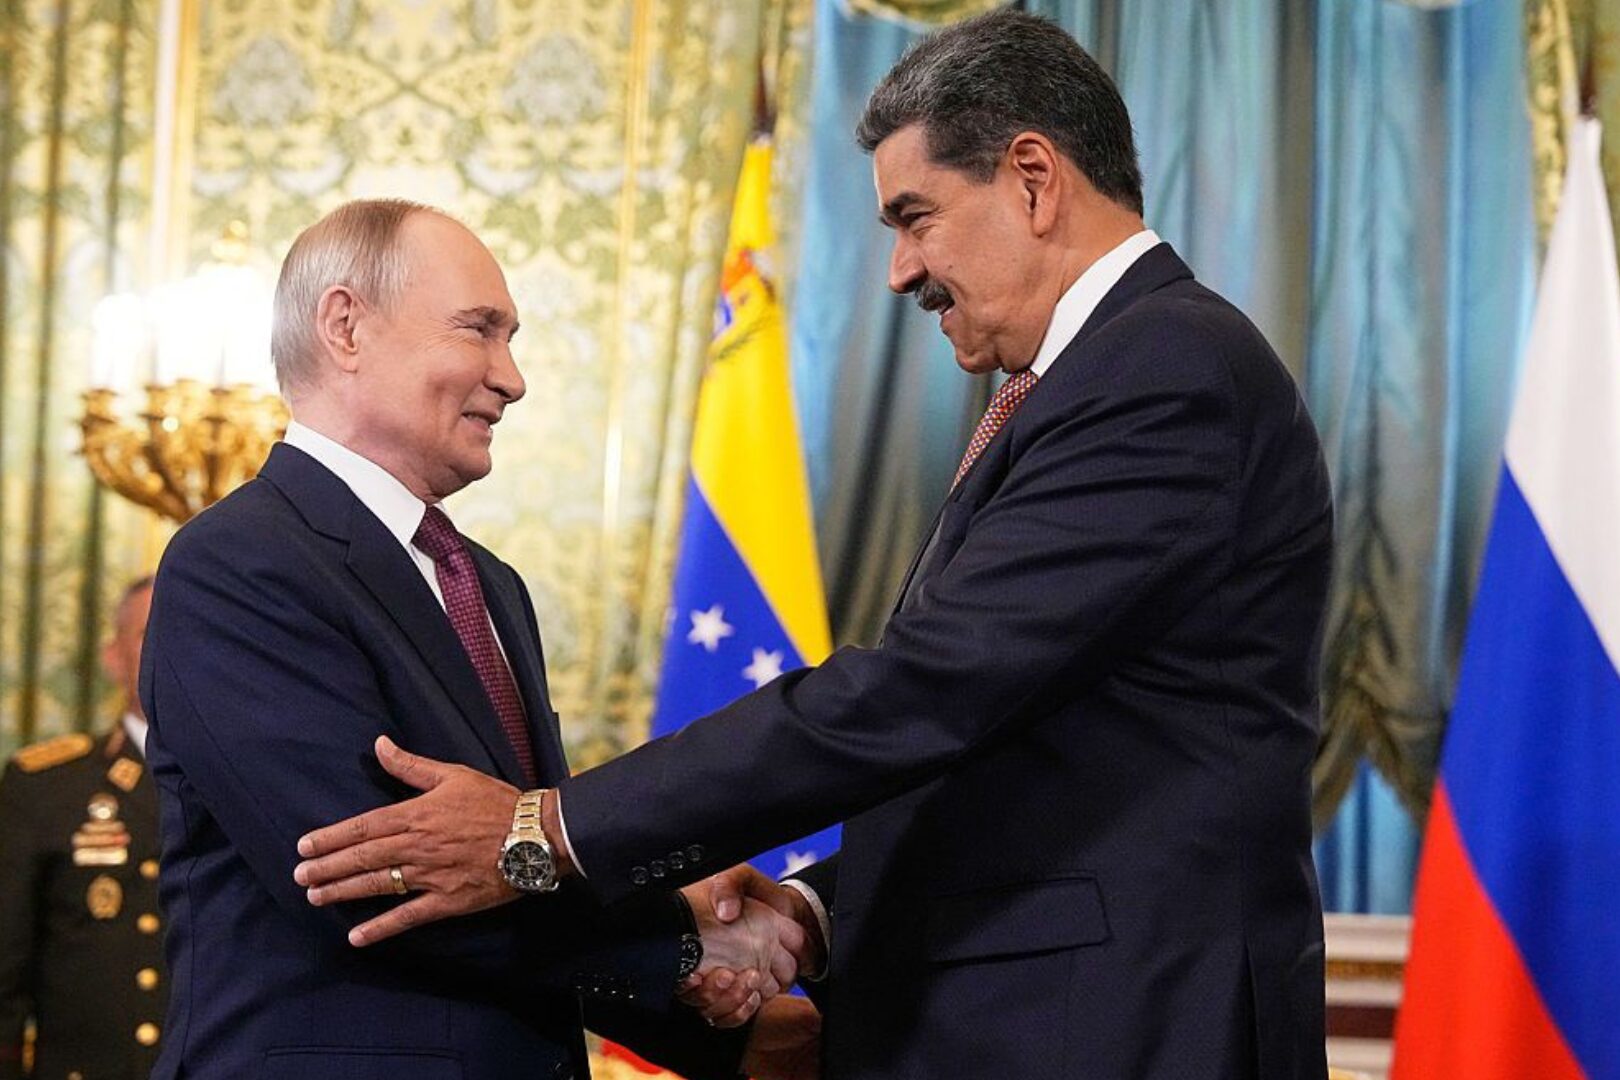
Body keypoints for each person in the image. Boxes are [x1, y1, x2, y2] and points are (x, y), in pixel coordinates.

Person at [296, 12, 1335, 1078]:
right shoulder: (1100, 377)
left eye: (916, 218)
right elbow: (1036, 757)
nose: (900, 272)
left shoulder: (1162, 370)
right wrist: (810, 912)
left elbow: (931, 691)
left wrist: (552, 831)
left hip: (1125, 1027)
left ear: (1033, 179)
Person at [140, 198, 813, 1080]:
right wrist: (682, 942)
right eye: (479, 330)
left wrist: (715, 1026)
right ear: (346, 327)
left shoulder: (488, 583)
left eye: (512, 338)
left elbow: (511, 864)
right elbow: (377, 886)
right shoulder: (240, 562)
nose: (512, 378)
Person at [0, 578, 167, 1079]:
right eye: (151, 632)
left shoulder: (254, 780)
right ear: (114, 658)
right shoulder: (47, 786)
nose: (173, 646)